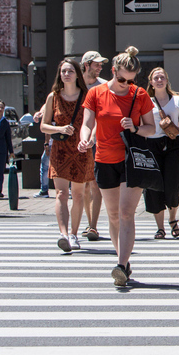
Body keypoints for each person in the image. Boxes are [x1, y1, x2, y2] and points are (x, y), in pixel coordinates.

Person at [79, 47, 156, 286]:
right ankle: (122, 259)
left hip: (130, 160)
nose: (125, 84)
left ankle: (121, 264)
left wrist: (133, 127)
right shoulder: (96, 93)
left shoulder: (139, 94)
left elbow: (151, 128)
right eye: (121, 79)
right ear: (113, 71)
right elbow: (87, 123)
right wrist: (86, 138)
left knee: (125, 213)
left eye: (130, 81)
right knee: (112, 216)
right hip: (103, 158)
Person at [40, 59, 95, 251]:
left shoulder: (87, 95)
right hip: (61, 150)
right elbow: (43, 125)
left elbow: (94, 122)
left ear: (77, 74)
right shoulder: (53, 97)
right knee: (62, 194)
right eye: (63, 71)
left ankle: (73, 234)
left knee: (78, 195)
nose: (66, 74)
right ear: (59, 74)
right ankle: (63, 234)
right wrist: (60, 128)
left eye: (70, 71)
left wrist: (90, 139)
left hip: (81, 149)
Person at [145, 67, 179, 240]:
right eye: (156, 78)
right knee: (154, 186)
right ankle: (160, 227)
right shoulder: (146, 101)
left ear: (167, 80)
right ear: (151, 82)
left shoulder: (178, 101)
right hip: (152, 144)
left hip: (173, 145)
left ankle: (172, 219)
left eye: (162, 77)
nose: (159, 80)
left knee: (173, 184)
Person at [80, 50, 108, 241]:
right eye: (96, 64)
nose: (99, 67)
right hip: (77, 140)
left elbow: (101, 116)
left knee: (95, 183)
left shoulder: (104, 85)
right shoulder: (75, 84)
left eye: (101, 65)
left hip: (98, 140)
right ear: (86, 65)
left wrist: (93, 136)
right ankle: (88, 221)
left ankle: (93, 226)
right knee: (83, 185)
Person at [32, 109, 51, 198]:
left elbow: (47, 129)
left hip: (52, 144)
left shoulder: (50, 112)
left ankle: (44, 190)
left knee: (45, 167)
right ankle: (69, 189)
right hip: (62, 143)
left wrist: (46, 143)